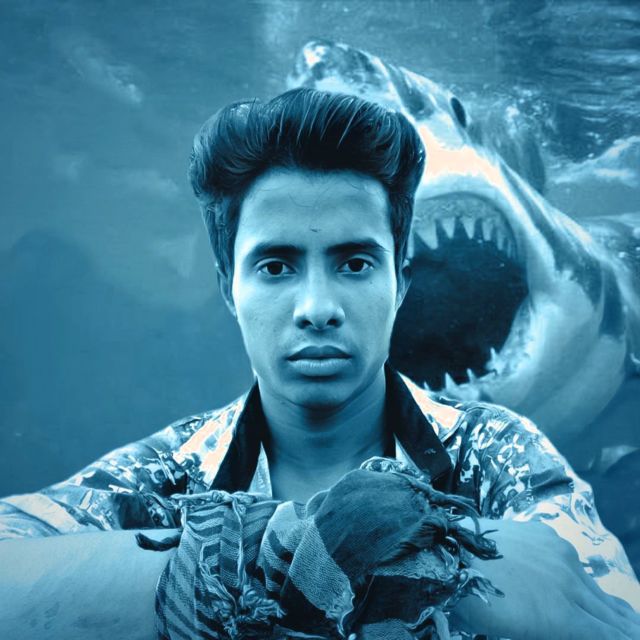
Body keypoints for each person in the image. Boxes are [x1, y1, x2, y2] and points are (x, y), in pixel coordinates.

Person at [0, 88, 639, 640]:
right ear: (229, 289)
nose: (317, 308)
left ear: (401, 283)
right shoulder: (170, 473)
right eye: (276, 266)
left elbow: (616, 614)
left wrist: (204, 565)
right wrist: (366, 548)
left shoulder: (492, 451)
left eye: (354, 263)